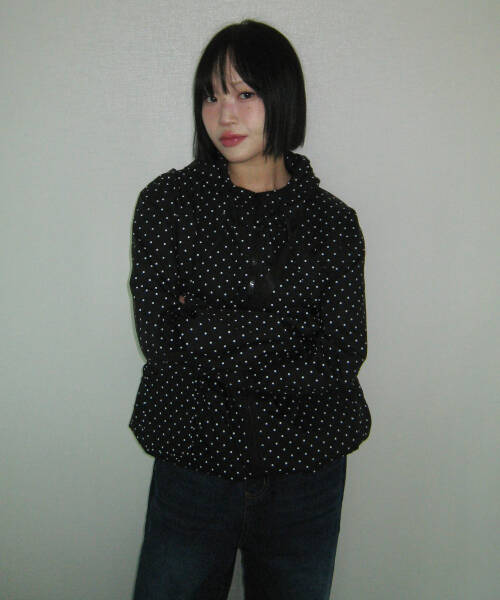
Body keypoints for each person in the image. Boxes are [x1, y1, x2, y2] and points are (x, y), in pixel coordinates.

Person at [129, 18, 371, 600]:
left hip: (306, 470)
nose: (225, 115)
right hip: (194, 460)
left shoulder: (334, 223)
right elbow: (162, 341)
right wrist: (285, 336)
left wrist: (209, 324)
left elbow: (342, 353)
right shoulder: (168, 204)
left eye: (244, 93)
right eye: (211, 96)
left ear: (283, 97)